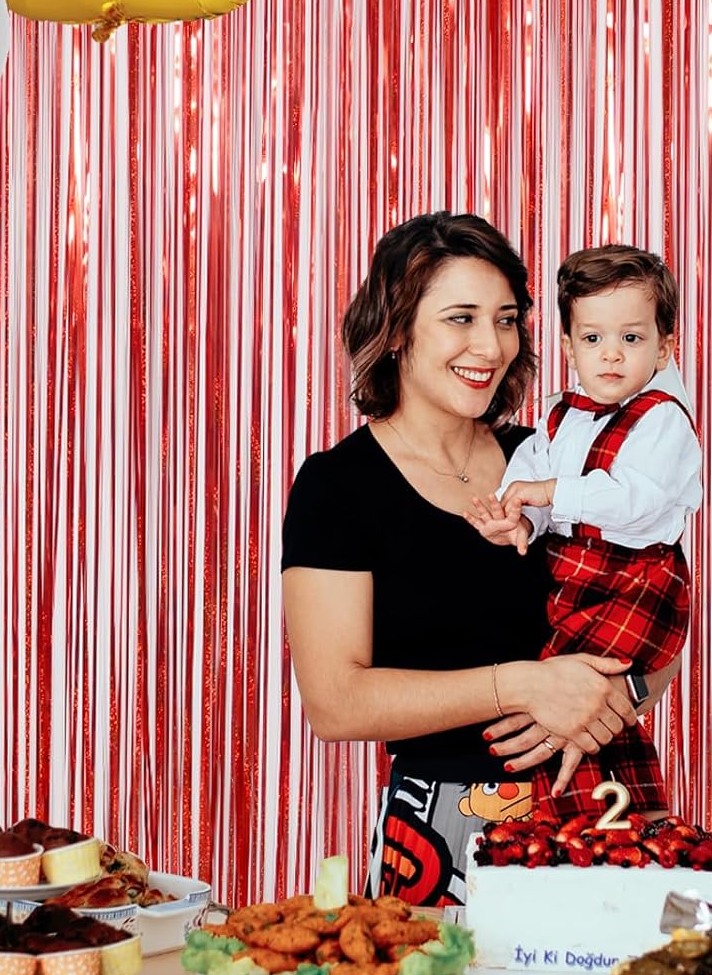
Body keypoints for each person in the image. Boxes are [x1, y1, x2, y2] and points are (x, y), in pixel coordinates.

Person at [280, 212, 669, 907]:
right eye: (461, 318)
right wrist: (523, 687)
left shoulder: (552, 461)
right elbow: (335, 703)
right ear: (396, 330)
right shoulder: (337, 487)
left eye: (506, 320)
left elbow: (655, 599)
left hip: (606, 806)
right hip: (442, 831)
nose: (490, 346)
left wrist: (616, 698)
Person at [467, 246, 701, 822]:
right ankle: (625, 815)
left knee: (570, 684)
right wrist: (520, 518)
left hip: (637, 579)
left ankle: (564, 807)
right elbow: (530, 478)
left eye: (631, 338)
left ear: (664, 347)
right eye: (593, 339)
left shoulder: (662, 418)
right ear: (569, 348)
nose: (612, 355)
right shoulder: (559, 416)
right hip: (574, 576)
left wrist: (550, 492)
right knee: (580, 692)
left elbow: (635, 500)